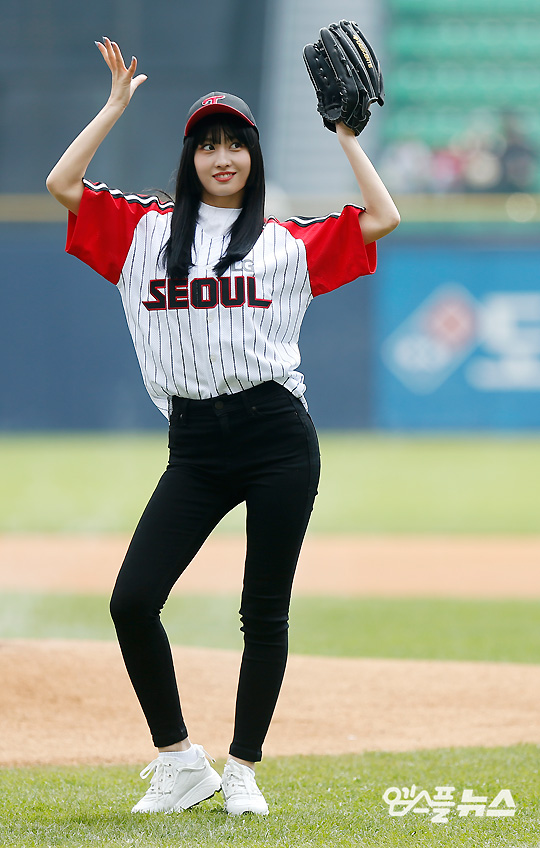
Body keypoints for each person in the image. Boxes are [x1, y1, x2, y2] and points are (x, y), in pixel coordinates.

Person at [46, 37, 400, 816]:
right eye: (207, 144)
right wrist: (112, 108)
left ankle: (242, 769)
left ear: (253, 156)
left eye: (235, 143)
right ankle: (180, 763)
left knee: (262, 610)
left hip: (277, 437)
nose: (222, 156)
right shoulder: (144, 233)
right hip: (196, 447)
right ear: (190, 159)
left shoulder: (282, 241)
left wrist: (346, 136)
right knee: (133, 600)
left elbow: (383, 216)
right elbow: (62, 184)